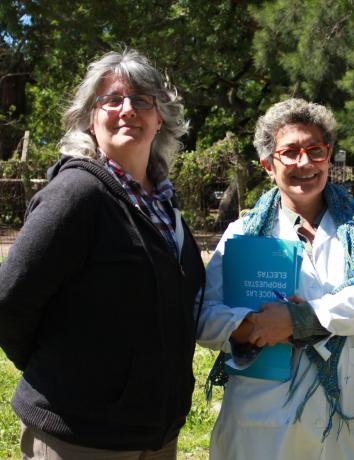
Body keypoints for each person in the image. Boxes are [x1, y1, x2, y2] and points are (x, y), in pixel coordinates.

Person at [0, 49, 205, 459]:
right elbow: (9, 303)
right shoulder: (76, 194)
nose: (128, 109)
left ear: (159, 116)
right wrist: (65, 375)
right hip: (81, 437)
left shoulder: (164, 202)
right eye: (112, 100)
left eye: (142, 100)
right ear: (91, 119)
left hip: (155, 434)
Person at [197, 98, 354, 460]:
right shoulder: (243, 235)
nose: (304, 162)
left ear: (329, 155)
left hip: (344, 412)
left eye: (315, 150)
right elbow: (206, 315)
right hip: (263, 419)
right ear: (268, 166)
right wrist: (252, 327)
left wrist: (299, 320)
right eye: (289, 152)